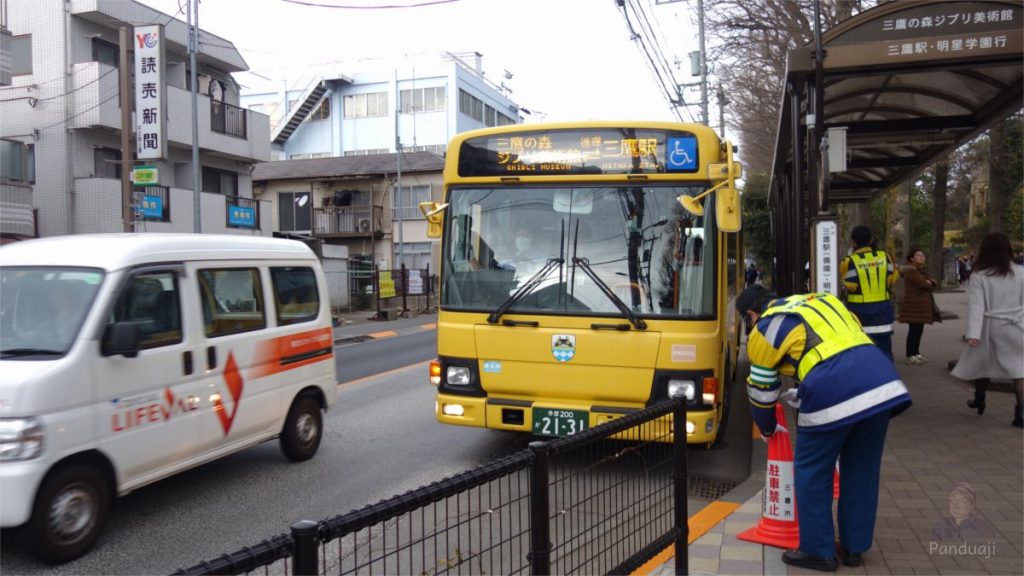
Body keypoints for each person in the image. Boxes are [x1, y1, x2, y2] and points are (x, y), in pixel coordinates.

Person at [735, 285, 912, 572]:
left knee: (812, 470)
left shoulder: (766, 328)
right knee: (862, 469)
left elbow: (761, 390)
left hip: (831, 389)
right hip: (882, 383)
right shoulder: (823, 301)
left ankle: (818, 550)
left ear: (752, 314)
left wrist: (767, 428)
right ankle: (854, 548)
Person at [951, 233, 1024, 428]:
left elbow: (977, 307)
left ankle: (979, 398)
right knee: (1020, 369)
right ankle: (1021, 413)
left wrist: (973, 334)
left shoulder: (979, 276)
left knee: (982, 363)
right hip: (1017, 326)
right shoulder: (1021, 272)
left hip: (990, 327)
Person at [839, 225, 899, 360]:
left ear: (853, 241)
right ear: (871, 239)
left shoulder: (848, 262)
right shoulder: (886, 257)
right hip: (883, 312)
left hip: (859, 314)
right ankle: (887, 377)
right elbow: (892, 279)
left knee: (862, 350)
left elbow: (848, 285)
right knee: (884, 349)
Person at [897, 248, 940, 365]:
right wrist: (929, 283)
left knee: (918, 330)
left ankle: (916, 353)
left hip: (918, 306)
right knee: (914, 330)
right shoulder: (911, 270)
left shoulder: (921, 270)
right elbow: (924, 284)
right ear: (912, 258)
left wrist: (930, 282)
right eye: (919, 255)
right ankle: (910, 355)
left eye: (923, 255)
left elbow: (931, 282)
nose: (922, 257)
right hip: (914, 305)